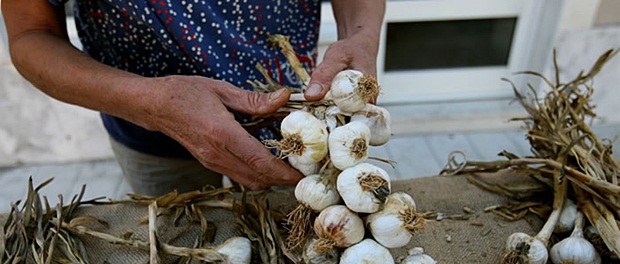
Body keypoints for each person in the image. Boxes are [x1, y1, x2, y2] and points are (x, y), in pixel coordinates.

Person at [1, 0, 385, 195]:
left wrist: (361, 35)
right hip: (149, 127)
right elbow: (30, 34)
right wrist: (150, 104)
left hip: (291, 125)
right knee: (177, 239)